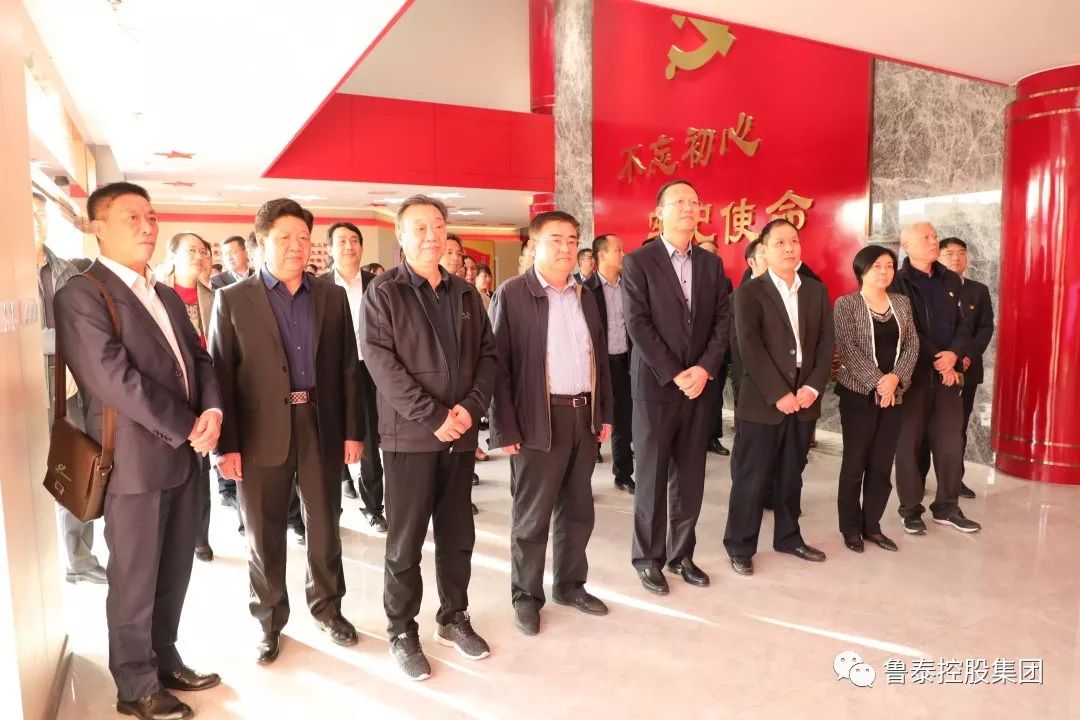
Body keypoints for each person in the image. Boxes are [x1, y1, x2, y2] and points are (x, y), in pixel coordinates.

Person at [55, 182, 223, 720]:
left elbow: (200, 360)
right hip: (133, 462)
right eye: (132, 217)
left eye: (151, 216)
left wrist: (213, 411)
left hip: (185, 455)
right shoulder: (82, 294)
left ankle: (164, 659)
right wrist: (189, 425)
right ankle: (134, 685)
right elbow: (114, 380)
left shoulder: (166, 293)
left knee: (173, 571)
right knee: (134, 579)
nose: (148, 226)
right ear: (97, 227)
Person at [210, 198, 364, 665]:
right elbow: (221, 375)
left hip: (320, 423)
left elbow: (348, 369)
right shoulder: (233, 299)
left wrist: (353, 431)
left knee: (325, 527)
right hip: (258, 432)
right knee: (263, 532)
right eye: (284, 238)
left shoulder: (331, 297)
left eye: (303, 238)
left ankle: (328, 608)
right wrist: (225, 447)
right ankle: (269, 621)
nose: (297, 246)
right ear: (261, 242)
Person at [361, 194, 496, 680]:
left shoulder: (465, 293)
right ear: (400, 235)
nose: (431, 235)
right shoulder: (384, 291)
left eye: (438, 225)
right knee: (406, 542)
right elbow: (380, 363)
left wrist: (470, 409)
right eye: (419, 227)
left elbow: (488, 356)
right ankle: (401, 630)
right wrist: (433, 415)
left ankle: (453, 617)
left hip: (460, 436)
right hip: (410, 439)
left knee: (458, 535)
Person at [491, 212, 614, 635]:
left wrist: (604, 413)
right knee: (532, 516)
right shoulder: (513, 294)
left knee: (578, 509)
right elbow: (497, 367)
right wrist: (504, 427)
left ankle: (570, 584)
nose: (566, 247)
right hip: (537, 419)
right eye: (556, 239)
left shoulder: (585, 295)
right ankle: (526, 595)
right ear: (534, 245)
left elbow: (600, 359)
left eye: (572, 240)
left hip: (583, 416)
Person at [622, 180, 732, 594]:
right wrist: (674, 372)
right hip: (656, 385)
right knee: (651, 476)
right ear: (660, 213)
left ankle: (681, 554)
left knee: (690, 476)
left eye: (694, 202)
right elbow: (638, 324)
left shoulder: (710, 264)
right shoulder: (639, 261)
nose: (689, 207)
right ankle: (648, 558)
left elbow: (722, 321)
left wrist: (704, 369)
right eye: (679, 201)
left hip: (699, 387)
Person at [723, 219, 834, 576]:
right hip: (763, 400)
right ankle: (740, 545)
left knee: (792, 475)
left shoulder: (816, 291)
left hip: (804, 399)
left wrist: (812, 388)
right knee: (751, 477)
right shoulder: (749, 294)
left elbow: (826, 344)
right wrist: (778, 393)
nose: (789, 248)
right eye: (780, 243)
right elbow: (750, 349)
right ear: (764, 251)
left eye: (794, 241)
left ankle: (788, 537)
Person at [889, 221, 980, 535]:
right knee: (908, 445)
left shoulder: (950, 278)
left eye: (935, 237)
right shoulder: (897, 281)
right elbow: (907, 328)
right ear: (907, 245)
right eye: (925, 237)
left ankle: (947, 507)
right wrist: (940, 359)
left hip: (948, 376)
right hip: (912, 377)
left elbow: (965, 324)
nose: (933, 242)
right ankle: (910, 509)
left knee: (950, 443)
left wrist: (954, 354)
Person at [34, 192, 105, 585]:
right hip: (24, 392)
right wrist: (67, 338)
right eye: (28, 214)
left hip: (71, 389)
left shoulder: (66, 268)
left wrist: (93, 228)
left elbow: (106, 271)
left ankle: (79, 560)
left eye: (41, 214)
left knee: (77, 470)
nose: (37, 222)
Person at [833, 246, 919, 553]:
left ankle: (872, 526)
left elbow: (912, 345)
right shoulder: (846, 304)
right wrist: (878, 383)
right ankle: (850, 528)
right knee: (855, 463)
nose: (884, 271)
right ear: (861, 270)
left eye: (889, 266)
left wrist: (895, 380)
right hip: (858, 395)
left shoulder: (901, 303)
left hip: (894, 395)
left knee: (882, 463)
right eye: (877, 266)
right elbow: (847, 348)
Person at [320, 221, 386, 532]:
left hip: (369, 371)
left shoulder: (378, 285)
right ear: (330, 248)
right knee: (328, 442)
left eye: (354, 240)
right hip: (329, 374)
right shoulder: (317, 286)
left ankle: (373, 507)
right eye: (342, 241)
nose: (349, 246)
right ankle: (329, 512)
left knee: (370, 443)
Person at [160, 232, 217, 562]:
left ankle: (200, 536)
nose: (199, 256)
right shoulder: (157, 295)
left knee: (201, 468)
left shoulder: (214, 296)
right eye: (191, 250)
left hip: (206, 392)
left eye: (203, 251)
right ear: (172, 256)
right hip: (169, 395)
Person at [923, 237, 994, 499]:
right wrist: (947, 358)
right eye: (949, 253)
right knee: (923, 428)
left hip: (967, 370)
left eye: (961, 253)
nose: (956, 258)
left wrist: (966, 356)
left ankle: (955, 481)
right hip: (932, 369)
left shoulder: (978, 290)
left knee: (958, 428)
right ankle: (918, 479)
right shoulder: (928, 288)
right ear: (938, 257)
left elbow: (985, 327)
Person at [586, 233, 634, 494]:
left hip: (625, 364)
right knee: (592, 423)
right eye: (618, 249)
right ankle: (582, 481)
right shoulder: (585, 290)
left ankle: (623, 474)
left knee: (623, 422)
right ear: (601, 255)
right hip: (596, 367)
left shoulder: (631, 287)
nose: (623, 254)